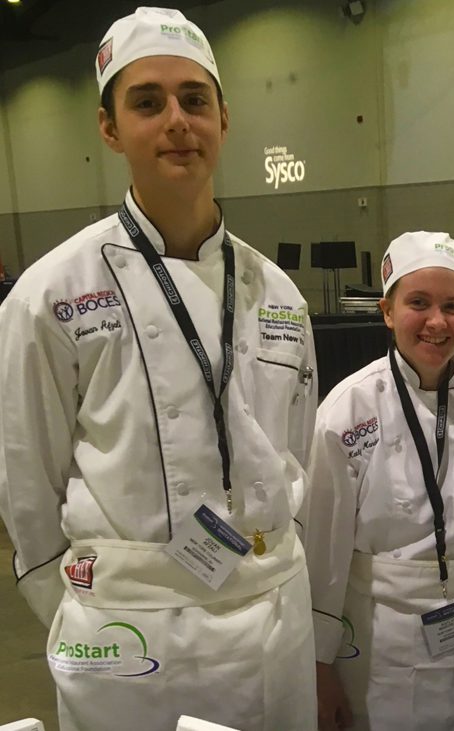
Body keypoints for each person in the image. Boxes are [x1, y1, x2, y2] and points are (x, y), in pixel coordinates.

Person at [0, 8, 318, 730]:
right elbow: (27, 487)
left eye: (194, 99)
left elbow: (297, 456)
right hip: (131, 634)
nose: (177, 120)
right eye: (148, 102)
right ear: (110, 128)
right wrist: (92, 608)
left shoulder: (278, 294)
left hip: (274, 613)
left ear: (224, 120)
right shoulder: (50, 295)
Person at [306, 231, 454, 731]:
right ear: (388, 311)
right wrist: (317, 663)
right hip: (371, 632)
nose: (437, 322)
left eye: (452, 306)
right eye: (419, 303)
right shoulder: (348, 410)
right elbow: (322, 550)